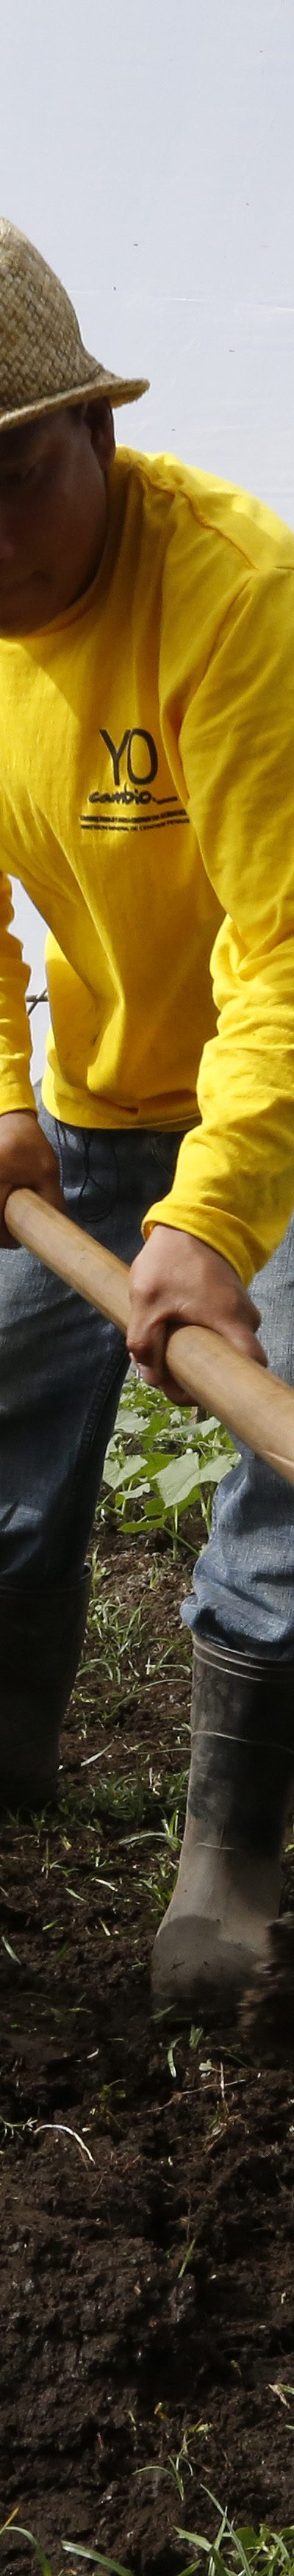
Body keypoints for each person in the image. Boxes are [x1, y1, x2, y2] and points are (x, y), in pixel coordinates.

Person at [0, 215, 293, 2028]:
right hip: (93, 1118)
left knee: (273, 1493)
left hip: (274, 1112)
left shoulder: (233, 591)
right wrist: (3, 1108)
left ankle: (229, 1856)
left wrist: (215, 1214)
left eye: (14, 478)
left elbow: (285, 945)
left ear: (97, 432)